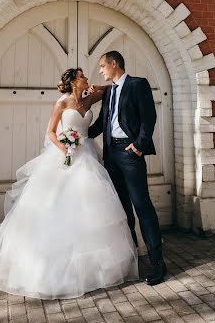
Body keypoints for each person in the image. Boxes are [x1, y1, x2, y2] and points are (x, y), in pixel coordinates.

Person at [0, 68, 138, 300]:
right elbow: (51, 132)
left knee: (91, 204)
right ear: (74, 81)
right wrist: (65, 148)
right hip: (66, 155)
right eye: (83, 76)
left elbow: (110, 89)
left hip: (88, 155)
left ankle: (94, 268)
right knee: (57, 205)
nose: (87, 78)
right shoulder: (62, 104)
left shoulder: (89, 98)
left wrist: (96, 88)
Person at [88, 50, 167, 285]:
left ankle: (158, 263)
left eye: (103, 66)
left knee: (142, 206)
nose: (101, 70)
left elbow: (148, 118)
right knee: (122, 209)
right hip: (111, 154)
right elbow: (103, 122)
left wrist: (138, 146)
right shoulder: (109, 91)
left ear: (114, 64)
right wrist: (77, 135)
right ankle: (131, 258)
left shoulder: (137, 84)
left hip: (129, 152)